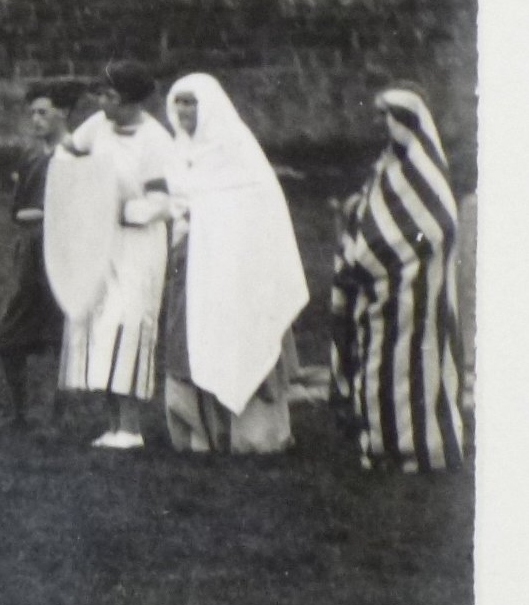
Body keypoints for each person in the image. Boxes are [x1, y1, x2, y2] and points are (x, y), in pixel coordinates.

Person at [156, 74, 307, 454]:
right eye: (179, 102)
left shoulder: (235, 149)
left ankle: (254, 435)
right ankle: (200, 431)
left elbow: (254, 207)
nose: (183, 110)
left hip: (233, 268)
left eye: (191, 102)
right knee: (187, 339)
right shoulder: (178, 151)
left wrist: (201, 212)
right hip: (189, 262)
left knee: (237, 336)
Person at [330, 85, 469, 472]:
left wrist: (405, 247)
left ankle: (422, 448)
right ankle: (380, 445)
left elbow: (435, 227)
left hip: (418, 288)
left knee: (420, 368)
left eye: (386, 116)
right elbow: (374, 217)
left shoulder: (425, 171)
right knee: (378, 366)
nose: (380, 124)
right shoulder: (385, 167)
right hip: (379, 288)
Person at [51, 61, 178, 450]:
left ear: (128, 100)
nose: (101, 102)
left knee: (129, 323)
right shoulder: (97, 127)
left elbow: (163, 201)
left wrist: (125, 210)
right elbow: (66, 155)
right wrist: (85, 190)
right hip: (100, 242)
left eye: (109, 96)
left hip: (138, 246)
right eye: (101, 94)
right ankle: (112, 424)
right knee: (102, 325)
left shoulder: (156, 140)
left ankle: (132, 426)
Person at [0, 80, 80, 427]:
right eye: (32, 113)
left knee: (61, 335)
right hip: (29, 253)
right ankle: (19, 414)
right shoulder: (30, 156)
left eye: (43, 112)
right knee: (9, 335)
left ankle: (60, 414)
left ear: (64, 113)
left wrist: (46, 215)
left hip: (63, 253)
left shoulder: (74, 156)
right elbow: (18, 210)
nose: (36, 120)